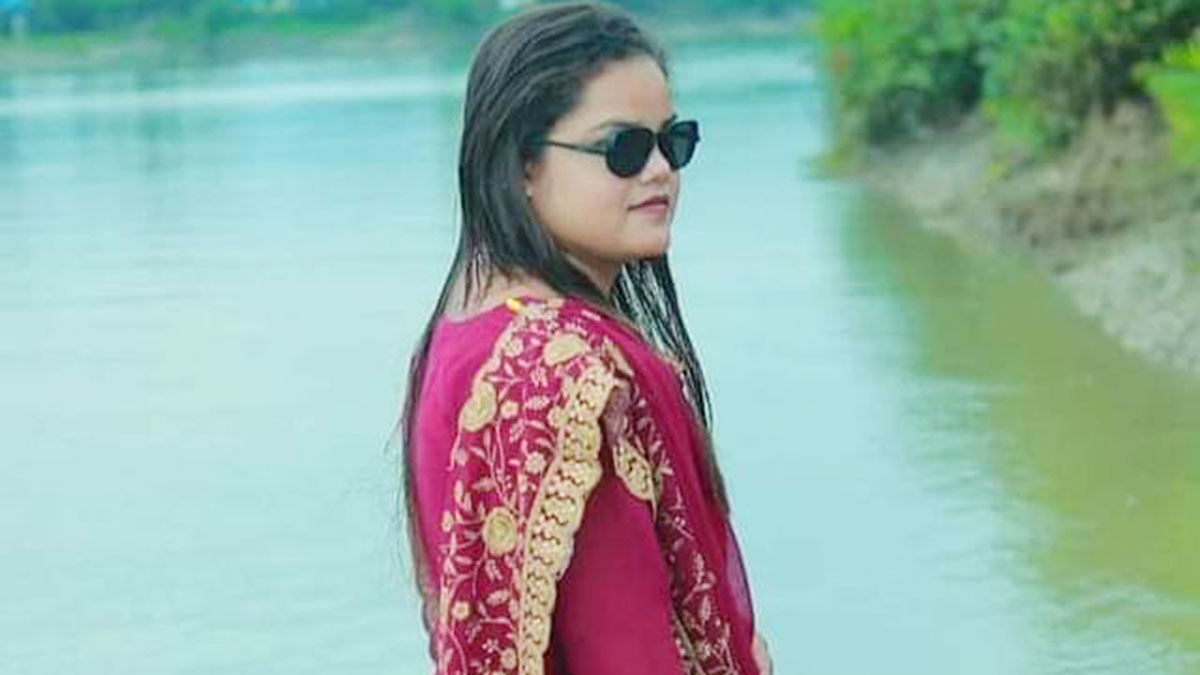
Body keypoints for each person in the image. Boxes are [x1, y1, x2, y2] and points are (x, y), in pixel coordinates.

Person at [397, 3, 770, 673]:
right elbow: (628, 649)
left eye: (673, 142)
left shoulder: (461, 341)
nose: (659, 170)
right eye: (622, 149)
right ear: (522, 165)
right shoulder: (566, 370)